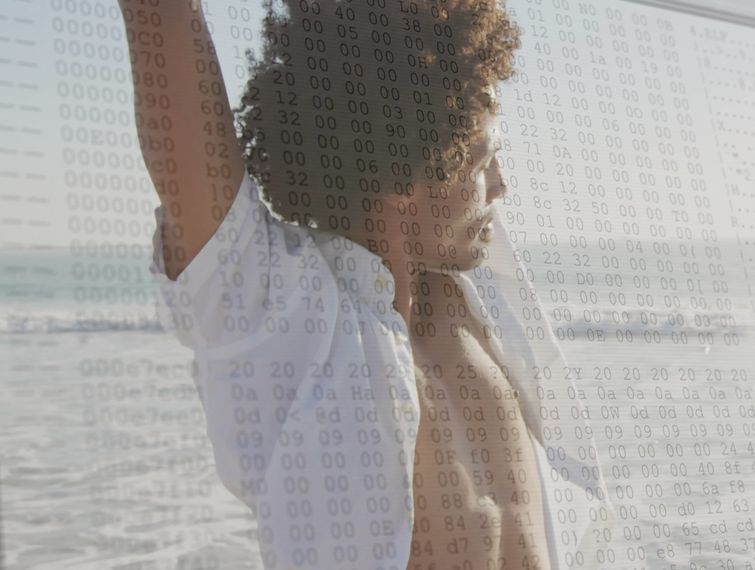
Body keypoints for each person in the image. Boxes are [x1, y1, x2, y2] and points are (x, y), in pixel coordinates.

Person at [117, 1, 610, 569]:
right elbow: (163, 22)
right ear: (409, 171)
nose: (501, 187)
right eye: (484, 162)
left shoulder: (471, 300)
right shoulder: (279, 322)